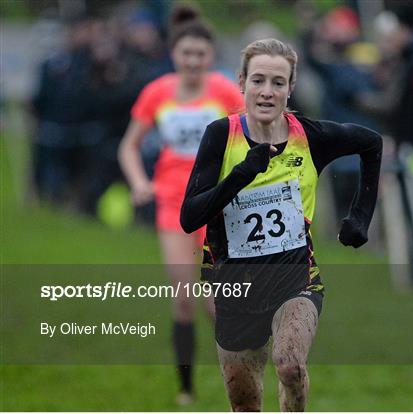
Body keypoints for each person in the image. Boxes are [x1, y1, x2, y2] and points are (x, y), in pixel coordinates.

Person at [181, 38, 382, 411]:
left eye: (278, 83)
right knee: (245, 405)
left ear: (291, 88)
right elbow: (190, 217)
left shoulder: (311, 138)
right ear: (241, 83)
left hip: (295, 280)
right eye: (258, 81)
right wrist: (242, 174)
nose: (267, 92)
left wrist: (360, 216)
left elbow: (371, 143)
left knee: (289, 366)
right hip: (233, 285)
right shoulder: (221, 136)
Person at [117, 5, 243, 405]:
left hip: (219, 202)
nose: (192, 61)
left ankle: (241, 379)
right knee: (185, 297)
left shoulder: (224, 93)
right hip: (172, 201)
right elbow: (128, 146)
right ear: (174, 54)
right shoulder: (157, 92)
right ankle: (186, 388)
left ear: (210, 57)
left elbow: (249, 140)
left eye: (200, 54)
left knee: (219, 300)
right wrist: (139, 182)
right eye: (185, 53)